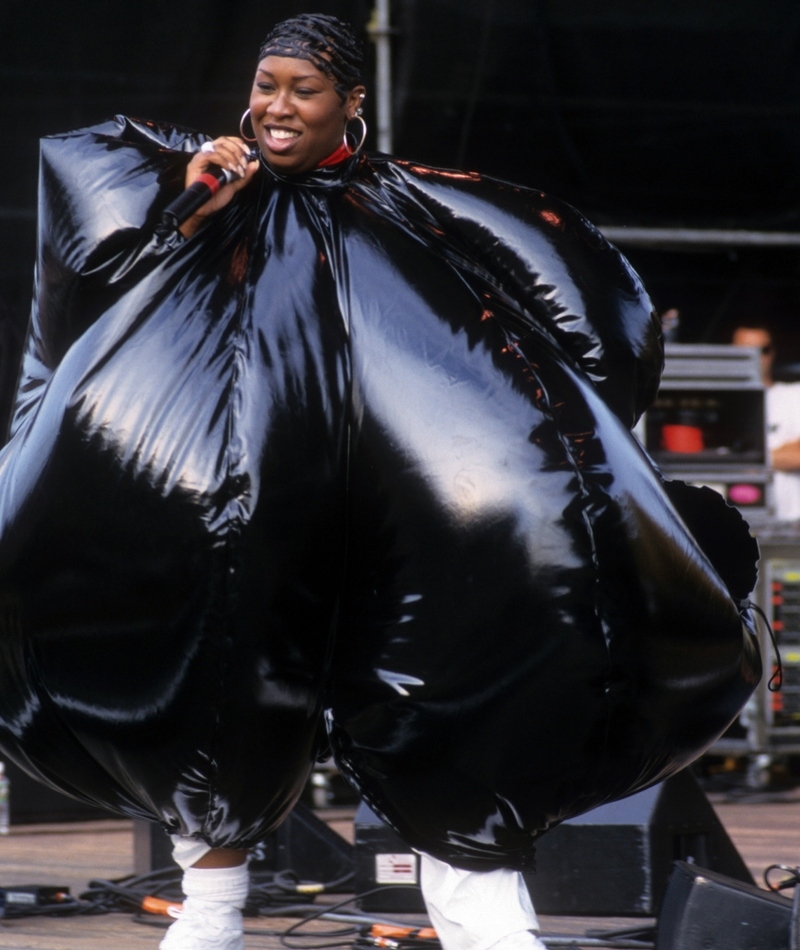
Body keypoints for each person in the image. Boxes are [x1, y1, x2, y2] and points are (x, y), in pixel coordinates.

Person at [0, 14, 759, 950]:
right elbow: (91, 266)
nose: (276, 106)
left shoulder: (406, 210)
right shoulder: (208, 192)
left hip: (410, 523)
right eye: (266, 83)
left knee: (452, 707)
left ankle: (482, 914)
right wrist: (195, 199)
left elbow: (587, 318)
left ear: (352, 103)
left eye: (302, 90)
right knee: (216, 685)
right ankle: (211, 920)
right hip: (244, 519)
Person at [732, 324, 800, 521]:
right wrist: (778, 455)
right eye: (744, 351)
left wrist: (745, 459)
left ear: (773, 353)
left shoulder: (795, 395)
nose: (754, 357)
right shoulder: (717, 403)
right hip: (733, 525)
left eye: (763, 350)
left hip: (790, 525)